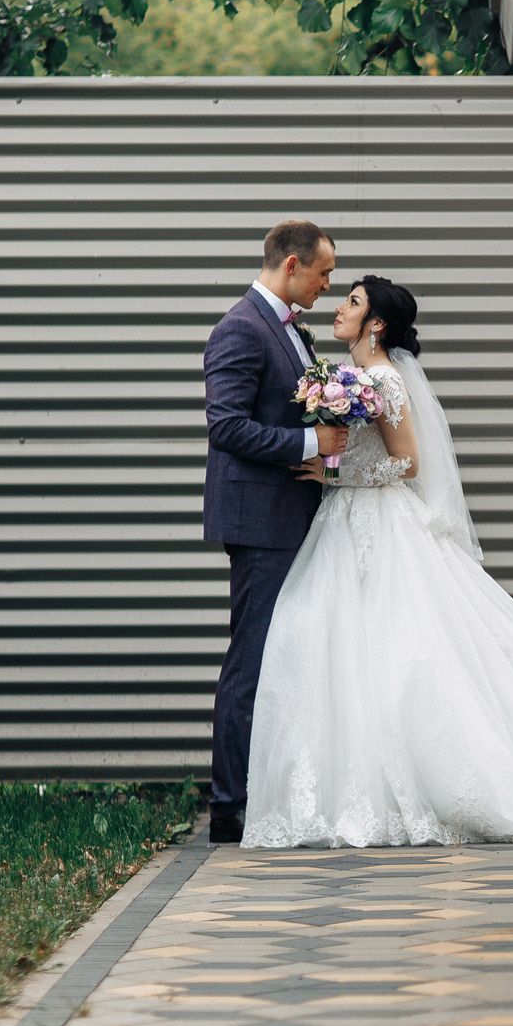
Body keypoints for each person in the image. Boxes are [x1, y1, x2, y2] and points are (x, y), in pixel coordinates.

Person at [240, 276, 513, 847]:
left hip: (379, 521)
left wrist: (334, 473)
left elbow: (406, 461)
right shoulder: (353, 376)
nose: (339, 307)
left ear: (376, 323)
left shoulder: (381, 379)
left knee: (398, 650)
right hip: (344, 523)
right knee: (343, 649)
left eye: (352, 302)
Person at [203, 219, 347, 846]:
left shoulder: (291, 330)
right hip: (262, 523)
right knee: (253, 663)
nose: (327, 285)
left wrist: (328, 455)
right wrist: (312, 439)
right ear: (292, 265)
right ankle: (229, 808)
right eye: (323, 273)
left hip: (294, 516)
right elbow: (225, 426)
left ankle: (271, 793)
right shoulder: (240, 328)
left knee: (287, 660)